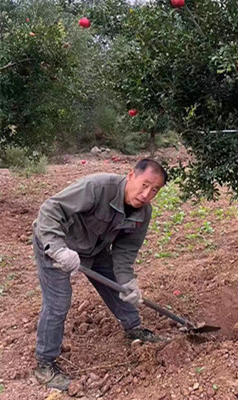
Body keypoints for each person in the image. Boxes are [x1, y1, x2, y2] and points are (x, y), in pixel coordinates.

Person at [32, 158, 168, 391]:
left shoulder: (143, 214)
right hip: (57, 245)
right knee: (58, 302)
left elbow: (125, 251)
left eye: (154, 190)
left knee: (120, 289)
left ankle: (134, 329)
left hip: (95, 250)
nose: (147, 194)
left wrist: (128, 282)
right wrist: (58, 248)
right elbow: (51, 209)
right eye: (144, 184)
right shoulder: (97, 187)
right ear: (131, 176)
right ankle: (45, 364)